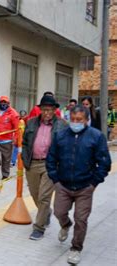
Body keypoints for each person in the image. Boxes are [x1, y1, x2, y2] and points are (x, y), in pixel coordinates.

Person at [46, 105, 111, 265]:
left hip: (85, 187)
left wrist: (94, 182)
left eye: (79, 120)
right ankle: (66, 225)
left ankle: (76, 248)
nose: (75, 123)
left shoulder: (96, 137)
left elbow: (104, 162)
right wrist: (55, 179)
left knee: (81, 219)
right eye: (73, 119)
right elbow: (51, 158)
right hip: (63, 184)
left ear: (87, 120)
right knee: (59, 212)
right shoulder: (60, 136)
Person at [21, 96, 67, 241]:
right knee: (35, 194)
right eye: (44, 110)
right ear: (40, 110)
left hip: (50, 164)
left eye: (50, 110)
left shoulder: (61, 125)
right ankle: (45, 213)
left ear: (54, 111)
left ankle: (39, 228)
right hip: (32, 163)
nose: (47, 113)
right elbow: (24, 141)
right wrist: (24, 156)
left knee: (44, 197)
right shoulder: (31, 122)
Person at [0, 96, 19, 180]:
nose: (3, 103)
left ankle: (5, 174)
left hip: (6, 140)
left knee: (6, 158)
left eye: (5, 102)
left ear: (8, 103)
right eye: (2, 102)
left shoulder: (13, 113)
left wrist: (15, 137)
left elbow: (17, 128)